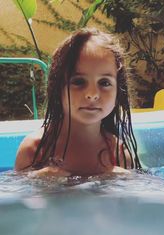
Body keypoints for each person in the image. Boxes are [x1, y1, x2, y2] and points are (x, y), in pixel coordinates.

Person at [15, 28, 141, 177]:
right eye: (79, 81)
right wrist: (37, 183)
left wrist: (123, 183)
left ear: (118, 92)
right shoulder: (35, 150)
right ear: (58, 88)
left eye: (105, 83)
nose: (92, 94)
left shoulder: (119, 154)